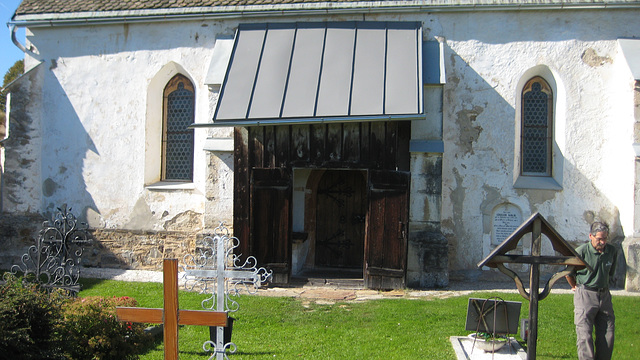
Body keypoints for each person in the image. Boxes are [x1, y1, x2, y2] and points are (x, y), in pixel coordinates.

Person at [565, 221, 617, 360]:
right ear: (590, 236)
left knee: (608, 334)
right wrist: (576, 286)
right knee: (585, 335)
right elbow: (568, 273)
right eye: (599, 238)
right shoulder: (581, 251)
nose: (602, 242)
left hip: (604, 295)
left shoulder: (612, 251)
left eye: (605, 238)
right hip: (585, 294)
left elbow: (610, 272)